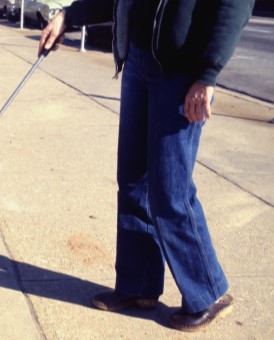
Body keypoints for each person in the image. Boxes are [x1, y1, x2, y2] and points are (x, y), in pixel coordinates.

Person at [38, 0, 255, 332]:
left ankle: (209, 292)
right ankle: (138, 285)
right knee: (133, 181)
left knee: (171, 190)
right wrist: (69, 15)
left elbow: (234, 6)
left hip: (182, 72)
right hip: (139, 59)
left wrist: (207, 74)